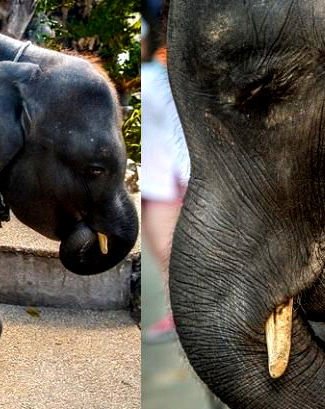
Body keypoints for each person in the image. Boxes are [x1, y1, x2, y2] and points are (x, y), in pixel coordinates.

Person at [140, 15, 190, 343]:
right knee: (162, 255)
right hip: (152, 182)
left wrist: (184, 176)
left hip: (166, 182)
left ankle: (186, 318)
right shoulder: (149, 76)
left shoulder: (160, 77)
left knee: (174, 256)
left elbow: (180, 129)